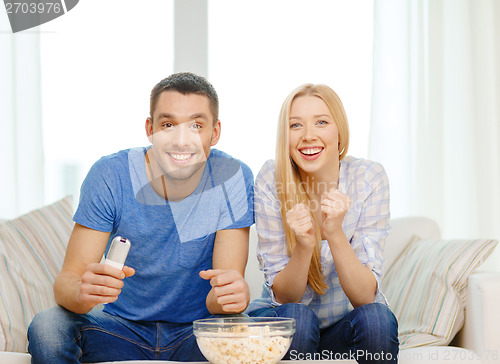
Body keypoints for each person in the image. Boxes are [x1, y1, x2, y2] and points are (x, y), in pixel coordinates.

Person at [27, 72, 254, 363]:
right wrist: (83, 293)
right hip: (120, 329)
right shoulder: (110, 174)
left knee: (245, 330)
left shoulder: (232, 178)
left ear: (215, 132)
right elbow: (67, 282)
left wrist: (232, 296)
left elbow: (219, 298)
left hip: (198, 333)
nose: (181, 141)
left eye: (196, 126)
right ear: (150, 129)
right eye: (168, 124)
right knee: (48, 326)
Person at [246, 83, 399, 363]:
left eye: (321, 122)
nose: (308, 136)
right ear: (285, 136)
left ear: (339, 131)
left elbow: (366, 297)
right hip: (286, 317)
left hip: (341, 329)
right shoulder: (271, 178)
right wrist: (304, 246)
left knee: (377, 318)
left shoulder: (368, 178)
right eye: (295, 126)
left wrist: (335, 233)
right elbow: (285, 296)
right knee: (298, 318)